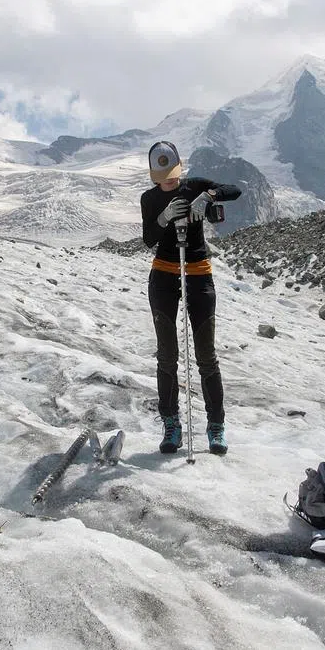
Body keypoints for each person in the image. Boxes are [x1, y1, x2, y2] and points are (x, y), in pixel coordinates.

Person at [140, 141, 241, 455]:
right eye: (163, 176)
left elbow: (234, 190)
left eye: (172, 174)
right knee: (167, 355)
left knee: (206, 355)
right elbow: (148, 238)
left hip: (197, 271)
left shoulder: (195, 186)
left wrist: (208, 195)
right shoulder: (150, 198)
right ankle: (171, 424)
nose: (169, 180)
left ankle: (216, 425)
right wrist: (163, 218)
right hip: (163, 272)